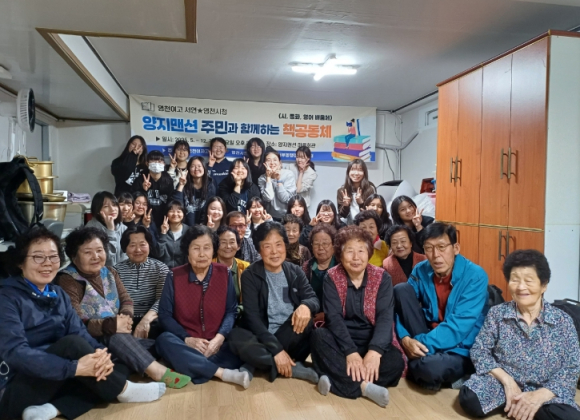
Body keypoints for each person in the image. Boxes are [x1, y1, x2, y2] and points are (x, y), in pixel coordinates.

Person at [0, 226, 166, 420]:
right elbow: (15, 353)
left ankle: (51, 409)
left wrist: (101, 356)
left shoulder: (57, 293)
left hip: (56, 377)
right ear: (20, 261)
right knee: (72, 345)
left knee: (117, 363)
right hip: (16, 386)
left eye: (53, 257)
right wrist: (74, 368)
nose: (47, 263)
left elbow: (79, 331)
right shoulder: (7, 298)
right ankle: (124, 390)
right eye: (38, 257)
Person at [56, 227, 191, 390]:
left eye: (99, 250)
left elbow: (126, 300)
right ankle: (156, 371)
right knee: (116, 336)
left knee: (158, 343)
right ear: (74, 256)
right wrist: (111, 325)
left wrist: (125, 318)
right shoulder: (67, 280)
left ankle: (124, 362)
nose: (96, 256)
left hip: (119, 334)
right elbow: (76, 321)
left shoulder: (110, 272)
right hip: (89, 340)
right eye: (87, 252)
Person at [459, 250, 580, 420]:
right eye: (515, 279)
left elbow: (572, 367)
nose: (521, 287)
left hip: (545, 388)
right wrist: (507, 381)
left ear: (543, 285)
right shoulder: (497, 314)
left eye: (528, 280)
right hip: (502, 385)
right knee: (469, 398)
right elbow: (480, 351)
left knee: (570, 417)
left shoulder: (562, 321)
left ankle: (524, 405)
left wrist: (541, 395)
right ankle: (521, 404)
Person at [310, 226, 405, 407]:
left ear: (368, 253)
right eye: (349, 251)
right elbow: (334, 318)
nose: (356, 257)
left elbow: (385, 318)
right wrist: (350, 352)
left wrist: (375, 351)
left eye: (361, 251)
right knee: (318, 336)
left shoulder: (382, 277)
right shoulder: (331, 276)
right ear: (340, 254)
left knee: (395, 363)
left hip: (371, 338)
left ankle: (335, 380)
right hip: (341, 340)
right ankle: (363, 387)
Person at [394, 222, 488, 391]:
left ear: (456, 248)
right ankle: (419, 361)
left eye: (441, 247)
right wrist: (405, 338)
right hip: (429, 334)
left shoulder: (475, 275)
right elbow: (401, 309)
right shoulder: (421, 270)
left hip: (459, 347)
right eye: (429, 248)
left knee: (429, 369)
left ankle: (417, 361)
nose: (436, 255)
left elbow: (458, 328)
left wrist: (417, 343)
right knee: (401, 290)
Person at [155, 225, 250, 388]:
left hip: (218, 343)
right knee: (163, 340)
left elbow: (231, 311)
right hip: (187, 342)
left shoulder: (224, 273)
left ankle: (190, 365)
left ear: (213, 250)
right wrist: (187, 339)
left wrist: (219, 338)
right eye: (196, 248)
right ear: (187, 251)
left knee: (240, 340)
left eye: (207, 248)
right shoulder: (174, 275)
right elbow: (164, 314)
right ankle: (221, 373)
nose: (201, 254)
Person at [228, 222, 320, 383]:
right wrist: (277, 351)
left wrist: (306, 305)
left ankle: (255, 363)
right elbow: (252, 318)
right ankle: (290, 368)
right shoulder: (250, 275)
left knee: (307, 322)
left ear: (285, 245)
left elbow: (313, 298)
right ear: (259, 250)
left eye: (278, 244)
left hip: (290, 335)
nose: (274, 251)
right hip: (262, 335)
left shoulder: (295, 271)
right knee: (235, 336)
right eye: (267, 246)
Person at [114, 226, 170, 340]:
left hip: (152, 319)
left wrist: (145, 320)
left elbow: (162, 300)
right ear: (125, 248)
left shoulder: (161, 268)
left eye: (142, 244)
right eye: (132, 245)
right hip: (124, 320)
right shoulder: (116, 271)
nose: (138, 250)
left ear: (149, 245)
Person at [301, 223, 337, 323]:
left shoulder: (341, 266)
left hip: (336, 317)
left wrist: (327, 314)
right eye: (316, 244)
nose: (320, 247)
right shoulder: (306, 267)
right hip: (310, 317)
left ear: (333, 245)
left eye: (325, 243)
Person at [132, 150, 175, 228]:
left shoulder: (168, 180)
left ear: (164, 164)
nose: (157, 163)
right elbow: (134, 200)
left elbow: (171, 200)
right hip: (144, 219)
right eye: (153, 161)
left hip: (163, 219)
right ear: (147, 163)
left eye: (160, 161)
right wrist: (143, 189)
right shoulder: (140, 180)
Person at [212, 226, 250, 311]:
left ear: (238, 246)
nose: (228, 246)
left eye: (232, 242)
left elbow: (249, 300)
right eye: (223, 242)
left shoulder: (246, 267)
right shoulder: (208, 267)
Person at [85, 191, 127, 266]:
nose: (112, 209)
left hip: (120, 271)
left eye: (114, 205)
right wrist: (110, 230)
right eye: (106, 206)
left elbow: (126, 254)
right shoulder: (91, 229)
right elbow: (107, 257)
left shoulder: (123, 228)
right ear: (98, 210)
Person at [173, 156, 217, 226]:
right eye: (193, 166)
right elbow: (177, 204)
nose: (196, 169)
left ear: (204, 168)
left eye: (199, 166)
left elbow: (210, 207)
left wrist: (202, 227)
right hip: (184, 225)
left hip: (204, 225)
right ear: (188, 169)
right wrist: (181, 185)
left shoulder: (210, 185)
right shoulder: (183, 183)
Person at [258, 147, 296, 220]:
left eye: (275, 160)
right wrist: (268, 178)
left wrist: (279, 180)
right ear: (264, 163)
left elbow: (285, 198)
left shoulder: (288, 174)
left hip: (288, 215)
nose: (272, 163)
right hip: (270, 216)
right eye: (268, 160)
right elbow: (269, 198)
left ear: (280, 162)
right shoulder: (262, 178)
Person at [336, 159, 375, 224]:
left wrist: (361, 203)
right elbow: (342, 215)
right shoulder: (341, 190)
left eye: (360, 170)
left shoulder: (370, 189)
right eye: (353, 169)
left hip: (365, 224)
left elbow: (371, 214)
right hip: (347, 226)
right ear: (348, 172)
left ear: (364, 173)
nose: (356, 173)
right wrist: (346, 205)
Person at [156, 200, 189, 268]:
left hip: (183, 270)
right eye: (171, 211)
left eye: (178, 211)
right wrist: (163, 234)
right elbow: (158, 254)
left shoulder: (189, 231)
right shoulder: (160, 231)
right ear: (166, 214)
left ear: (183, 214)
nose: (175, 214)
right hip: (164, 270)